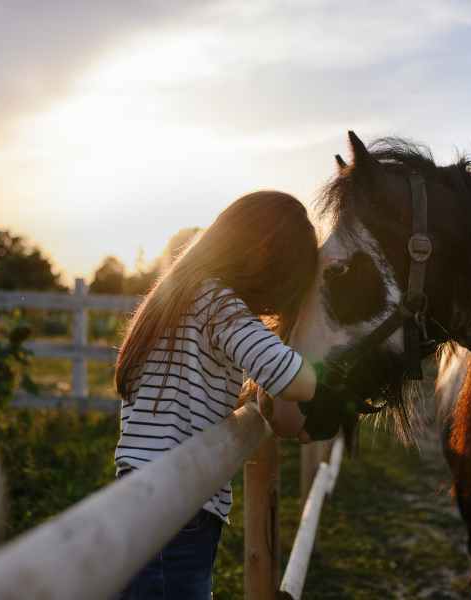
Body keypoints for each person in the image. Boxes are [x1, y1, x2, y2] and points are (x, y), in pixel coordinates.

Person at [114, 190, 365, 600]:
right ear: (263, 258)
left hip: (137, 497)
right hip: (177, 509)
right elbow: (293, 378)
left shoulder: (174, 295)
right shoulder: (218, 303)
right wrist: (331, 373)